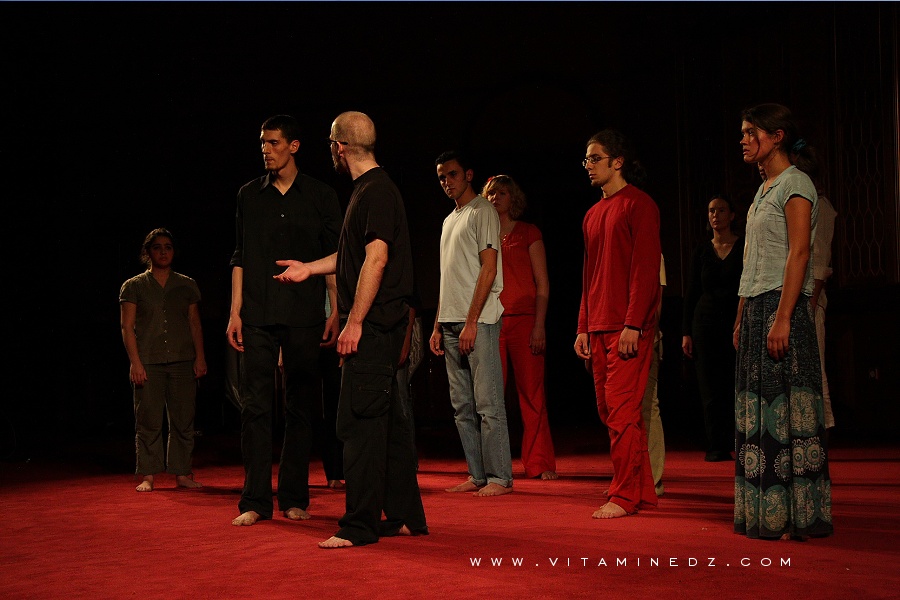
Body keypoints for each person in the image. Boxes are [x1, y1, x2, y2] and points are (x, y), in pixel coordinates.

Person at [275, 110, 427, 548]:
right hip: (381, 329)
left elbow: (376, 258)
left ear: (338, 147)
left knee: (358, 427)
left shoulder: (376, 191)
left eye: (330, 145)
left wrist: (354, 322)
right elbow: (352, 259)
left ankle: (359, 524)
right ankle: (403, 516)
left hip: (375, 329)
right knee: (390, 426)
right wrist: (308, 268)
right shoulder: (369, 190)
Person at [227, 114, 343, 526]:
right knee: (254, 408)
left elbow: (335, 259)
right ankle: (255, 502)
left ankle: (294, 497)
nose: (265, 149)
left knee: (300, 407)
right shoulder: (248, 195)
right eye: (262, 143)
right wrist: (234, 312)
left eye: (273, 142)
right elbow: (239, 256)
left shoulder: (320, 195)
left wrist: (334, 310)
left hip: (304, 315)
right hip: (257, 313)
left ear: (293, 146)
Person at [734, 102, 833, 540]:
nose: (743, 139)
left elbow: (799, 253)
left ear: (776, 136)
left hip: (782, 305)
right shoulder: (762, 189)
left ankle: (795, 514)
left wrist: (783, 317)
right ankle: (765, 512)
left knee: (787, 413)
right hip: (757, 307)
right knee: (758, 410)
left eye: (751, 131)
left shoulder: (795, 183)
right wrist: (741, 316)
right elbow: (750, 261)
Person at [574, 129, 660, 519]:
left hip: (627, 326)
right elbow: (589, 274)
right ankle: (639, 491)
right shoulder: (592, 214)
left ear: (617, 161)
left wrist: (634, 324)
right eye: (586, 159)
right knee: (608, 410)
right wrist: (582, 327)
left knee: (624, 410)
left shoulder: (639, 205)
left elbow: (644, 270)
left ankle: (624, 495)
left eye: (595, 158)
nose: (588, 165)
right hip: (598, 325)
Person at [431, 151, 513, 497]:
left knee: (487, 402)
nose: (446, 182)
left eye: (451, 174)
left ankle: (499, 477)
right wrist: (437, 324)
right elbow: (447, 278)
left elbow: (489, 269)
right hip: (450, 322)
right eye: (441, 177)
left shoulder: (483, 212)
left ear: (467, 174)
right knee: (462, 405)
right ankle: (477, 474)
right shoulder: (450, 219)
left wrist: (471, 321)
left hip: (476, 322)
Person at [119, 228, 207, 492]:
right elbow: (127, 327)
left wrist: (200, 357)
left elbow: (194, 324)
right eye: (157, 247)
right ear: (148, 252)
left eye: (168, 247)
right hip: (149, 361)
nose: (163, 252)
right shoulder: (134, 286)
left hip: (182, 360)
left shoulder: (186, 284)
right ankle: (148, 474)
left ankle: (182, 473)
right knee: (148, 418)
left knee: (183, 418)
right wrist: (135, 362)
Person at [482, 174, 557, 480]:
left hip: (525, 321)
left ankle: (539, 462)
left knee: (532, 394)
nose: (494, 198)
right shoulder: (482, 236)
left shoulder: (528, 232)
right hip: (492, 321)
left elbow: (542, 284)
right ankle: (494, 467)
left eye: (501, 193)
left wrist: (539, 325)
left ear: (513, 198)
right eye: (489, 194)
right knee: (491, 396)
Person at [682, 195, 744, 462]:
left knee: (735, 382)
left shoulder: (743, 246)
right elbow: (692, 291)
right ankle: (716, 444)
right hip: (704, 323)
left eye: (721, 210)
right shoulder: (701, 250)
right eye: (711, 210)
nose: (715, 215)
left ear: (732, 215)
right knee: (709, 386)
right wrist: (686, 331)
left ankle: (740, 441)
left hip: (735, 322)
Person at [810, 193, 837, 429]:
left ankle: (821, 438)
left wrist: (809, 306)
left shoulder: (819, 205)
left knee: (815, 371)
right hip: (783, 299)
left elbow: (819, 261)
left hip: (809, 300)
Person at [642, 256, 667, 496]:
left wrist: (650, 338)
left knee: (649, 405)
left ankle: (654, 478)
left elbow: (656, 299)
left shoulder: (653, 252)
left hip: (645, 335)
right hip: (613, 336)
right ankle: (630, 474)